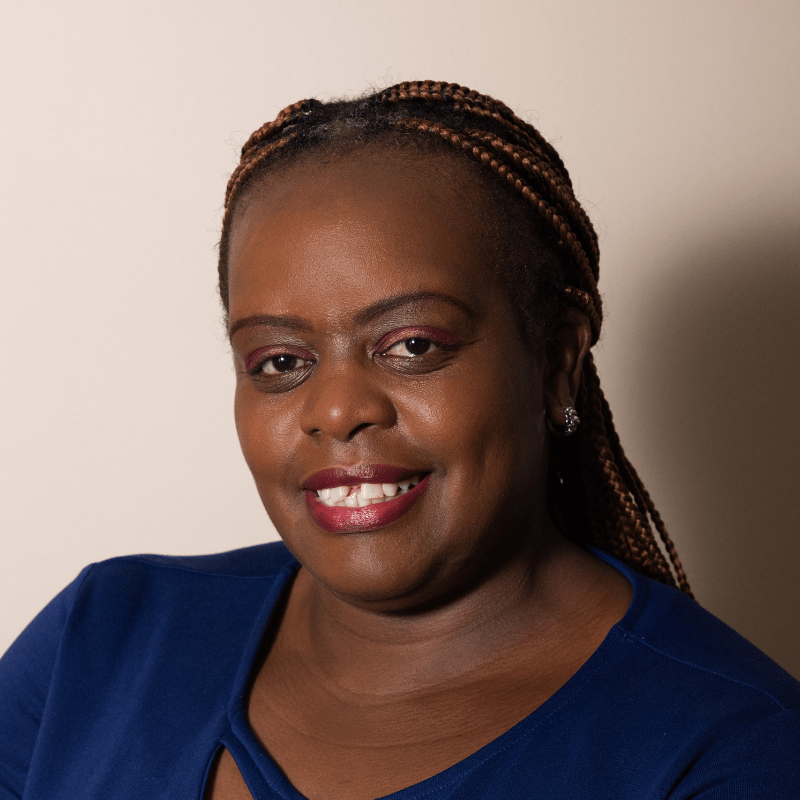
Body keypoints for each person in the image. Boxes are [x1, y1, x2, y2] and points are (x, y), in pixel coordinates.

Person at [1, 80, 798, 800]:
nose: (337, 409)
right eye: (280, 360)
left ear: (556, 362)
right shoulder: (104, 640)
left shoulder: (730, 751)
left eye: (413, 345)